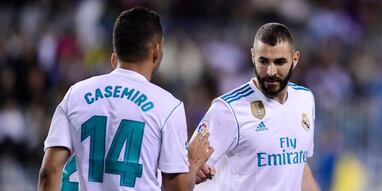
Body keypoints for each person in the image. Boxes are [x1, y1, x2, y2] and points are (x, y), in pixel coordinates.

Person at [38, 7, 213, 191]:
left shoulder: (76, 94)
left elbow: (48, 172)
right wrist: (192, 165)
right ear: (156, 50)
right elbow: (177, 189)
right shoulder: (168, 106)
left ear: (115, 56)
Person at [192, 23, 318, 191]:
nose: (271, 71)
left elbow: (300, 166)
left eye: (280, 62)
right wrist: (194, 170)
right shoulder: (228, 109)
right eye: (263, 61)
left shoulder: (305, 99)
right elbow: (186, 169)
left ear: (295, 59)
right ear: (253, 56)